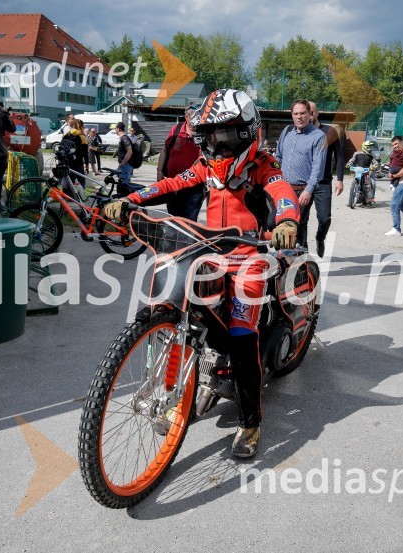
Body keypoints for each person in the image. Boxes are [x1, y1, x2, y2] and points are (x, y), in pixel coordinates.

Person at [104, 89, 300, 458]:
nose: (218, 144)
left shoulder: (262, 165)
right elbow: (171, 183)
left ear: (246, 131)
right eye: (209, 136)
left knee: (243, 340)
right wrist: (130, 198)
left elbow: (282, 190)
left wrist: (288, 218)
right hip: (209, 252)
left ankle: (250, 423)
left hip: (250, 258)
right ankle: (195, 385)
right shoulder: (206, 166)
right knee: (192, 317)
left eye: (225, 135)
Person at [275, 99, 327, 251]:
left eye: (303, 113)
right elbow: (278, 157)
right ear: (292, 115)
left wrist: (308, 190)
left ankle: (302, 264)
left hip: (302, 189)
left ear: (310, 115)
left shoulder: (318, 136)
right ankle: (283, 260)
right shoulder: (287, 132)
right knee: (280, 224)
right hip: (283, 188)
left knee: (298, 225)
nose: (299, 117)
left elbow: (318, 167)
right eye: (296, 113)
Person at [307, 101, 345, 258]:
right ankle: (302, 251)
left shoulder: (329, 131)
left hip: (323, 182)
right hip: (303, 182)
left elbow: (340, 157)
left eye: (311, 112)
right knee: (301, 219)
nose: (308, 115)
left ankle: (320, 238)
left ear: (317, 113)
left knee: (324, 218)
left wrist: (340, 179)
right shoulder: (301, 132)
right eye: (305, 111)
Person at [156, 103, 204, 220]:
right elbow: (165, 150)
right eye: (194, 116)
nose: (198, 119)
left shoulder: (204, 132)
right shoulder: (176, 130)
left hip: (195, 187)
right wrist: (160, 172)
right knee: (174, 218)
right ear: (186, 117)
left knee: (189, 221)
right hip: (174, 185)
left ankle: (187, 238)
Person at [347, 142, 374, 207]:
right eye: (368, 147)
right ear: (364, 147)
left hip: (366, 172)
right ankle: (351, 201)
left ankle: (368, 202)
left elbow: (375, 162)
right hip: (358, 172)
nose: (369, 149)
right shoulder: (357, 154)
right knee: (353, 185)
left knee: (368, 186)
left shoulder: (371, 156)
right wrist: (348, 164)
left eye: (370, 147)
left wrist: (375, 166)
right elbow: (352, 160)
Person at [114, 122, 137, 195]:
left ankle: (124, 203)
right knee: (123, 186)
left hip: (125, 166)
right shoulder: (123, 138)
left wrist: (122, 163)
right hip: (124, 166)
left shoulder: (124, 138)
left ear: (118, 129)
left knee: (124, 188)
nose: (115, 130)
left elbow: (129, 151)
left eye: (115, 129)